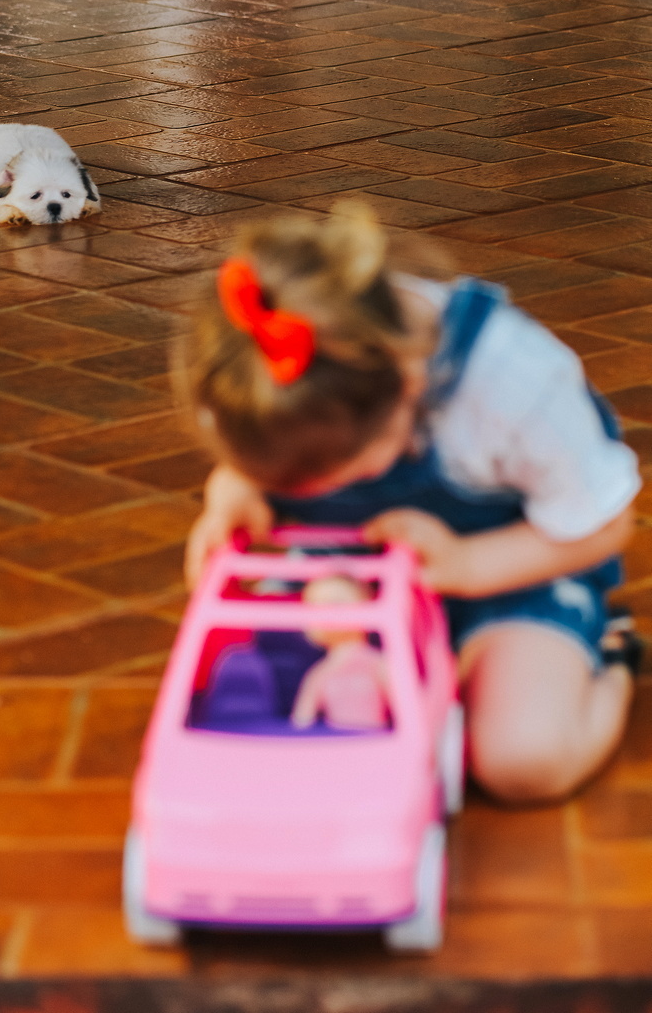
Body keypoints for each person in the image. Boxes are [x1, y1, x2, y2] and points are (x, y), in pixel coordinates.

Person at [181, 206, 641, 803]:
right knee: (258, 723)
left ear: (410, 389)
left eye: (332, 474)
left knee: (525, 760)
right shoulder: (250, 366)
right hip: (342, 581)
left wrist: (466, 565)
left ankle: (615, 660)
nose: (303, 493)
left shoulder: (513, 380)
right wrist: (231, 493)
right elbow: (242, 460)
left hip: (513, 574)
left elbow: (607, 523)